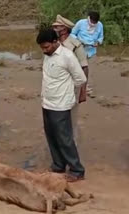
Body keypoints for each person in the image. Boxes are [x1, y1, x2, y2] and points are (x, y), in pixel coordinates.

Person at [36, 29, 87, 182]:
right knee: (51, 136)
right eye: (42, 48)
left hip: (61, 105)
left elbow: (81, 78)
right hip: (47, 103)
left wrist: (67, 92)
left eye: (46, 47)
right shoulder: (48, 56)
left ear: (55, 42)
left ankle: (77, 170)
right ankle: (58, 165)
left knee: (65, 139)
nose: (44, 50)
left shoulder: (67, 56)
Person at [52, 14, 88, 144]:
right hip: (57, 88)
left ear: (65, 29)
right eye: (54, 26)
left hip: (72, 87)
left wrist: (83, 91)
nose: (54, 28)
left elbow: (84, 67)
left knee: (71, 121)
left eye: (57, 26)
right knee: (57, 119)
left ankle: (72, 150)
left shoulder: (75, 45)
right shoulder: (54, 44)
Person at [71, 11, 104, 98]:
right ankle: (76, 88)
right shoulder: (80, 23)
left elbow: (101, 37)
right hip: (80, 50)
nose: (93, 24)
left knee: (90, 71)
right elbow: (72, 34)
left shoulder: (100, 25)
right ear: (88, 18)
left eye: (95, 22)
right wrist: (80, 42)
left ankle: (87, 89)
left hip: (92, 51)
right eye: (92, 22)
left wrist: (98, 42)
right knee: (78, 69)